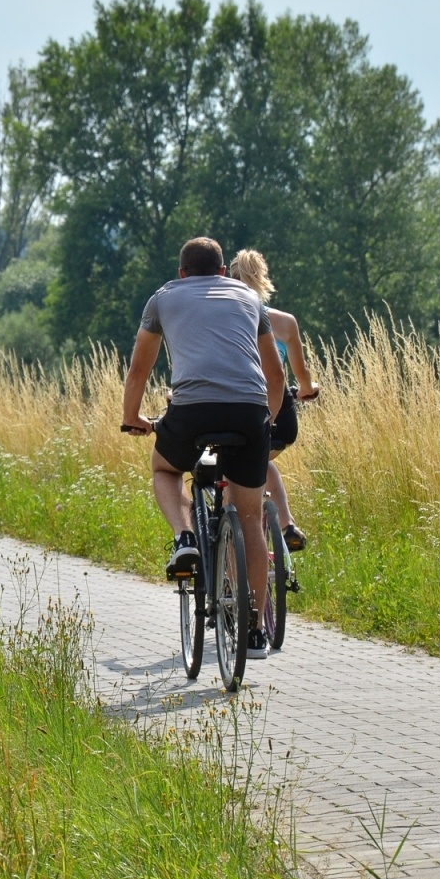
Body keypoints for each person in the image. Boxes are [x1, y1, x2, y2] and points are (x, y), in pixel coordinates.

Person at [122, 237, 285, 660]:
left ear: (182, 273)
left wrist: (133, 417)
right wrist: (264, 418)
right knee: (250, 519)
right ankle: (253, 634)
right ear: (222, 272)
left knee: (165, 469)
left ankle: (184, 537)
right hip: (249, 412)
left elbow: (140, 367)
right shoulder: (251, 300)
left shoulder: (163, 299)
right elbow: (276, 376)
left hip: (191, 410)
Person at [229, 249, 320, 550]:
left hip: (238, 409)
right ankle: (287, 523)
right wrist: (307, 389)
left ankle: (230, 557)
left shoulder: (224, 321)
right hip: (280, 417)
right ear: (263, 279)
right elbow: (301, 375)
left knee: (234, 472)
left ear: (230, 279)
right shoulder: (285, 323)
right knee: (262, 460)